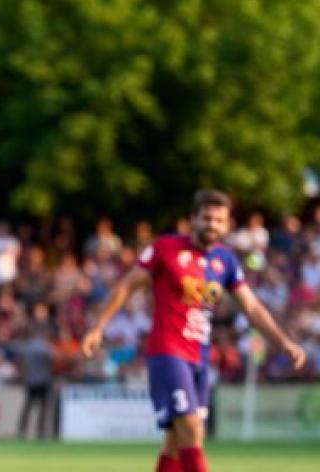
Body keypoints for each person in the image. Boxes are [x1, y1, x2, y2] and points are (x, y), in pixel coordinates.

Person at [83, 189, 307, 472]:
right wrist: (98, 327)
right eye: (206, 218)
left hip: (199, 355)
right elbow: (127, 285)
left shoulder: (226, 262)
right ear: (193, 219)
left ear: (227, 225)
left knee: (175, 442)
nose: (211, 225)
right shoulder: (165, 248)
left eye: (218, 220)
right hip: (167, 351)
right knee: (192, 430)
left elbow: (252, 308)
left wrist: (284, 342)